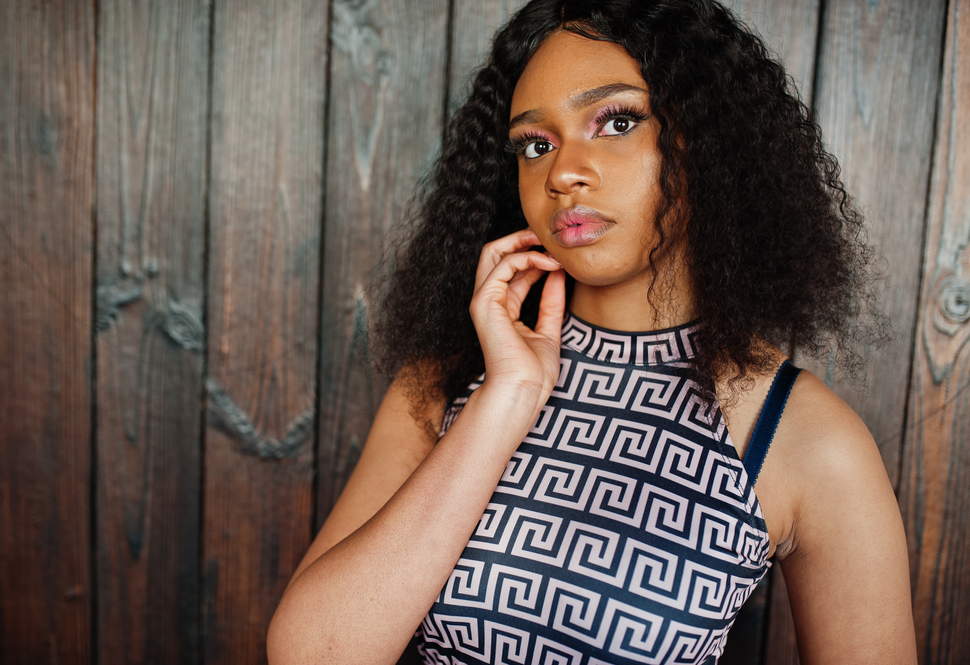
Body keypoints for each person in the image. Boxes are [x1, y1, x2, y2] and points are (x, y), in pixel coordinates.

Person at [268, 1, 916, 663]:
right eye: (535, 144)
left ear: (708, 141)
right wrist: (507, 397)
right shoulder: (447, 379)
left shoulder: (802, 436)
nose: (562, 172)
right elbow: (311, 652)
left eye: (617, 121)